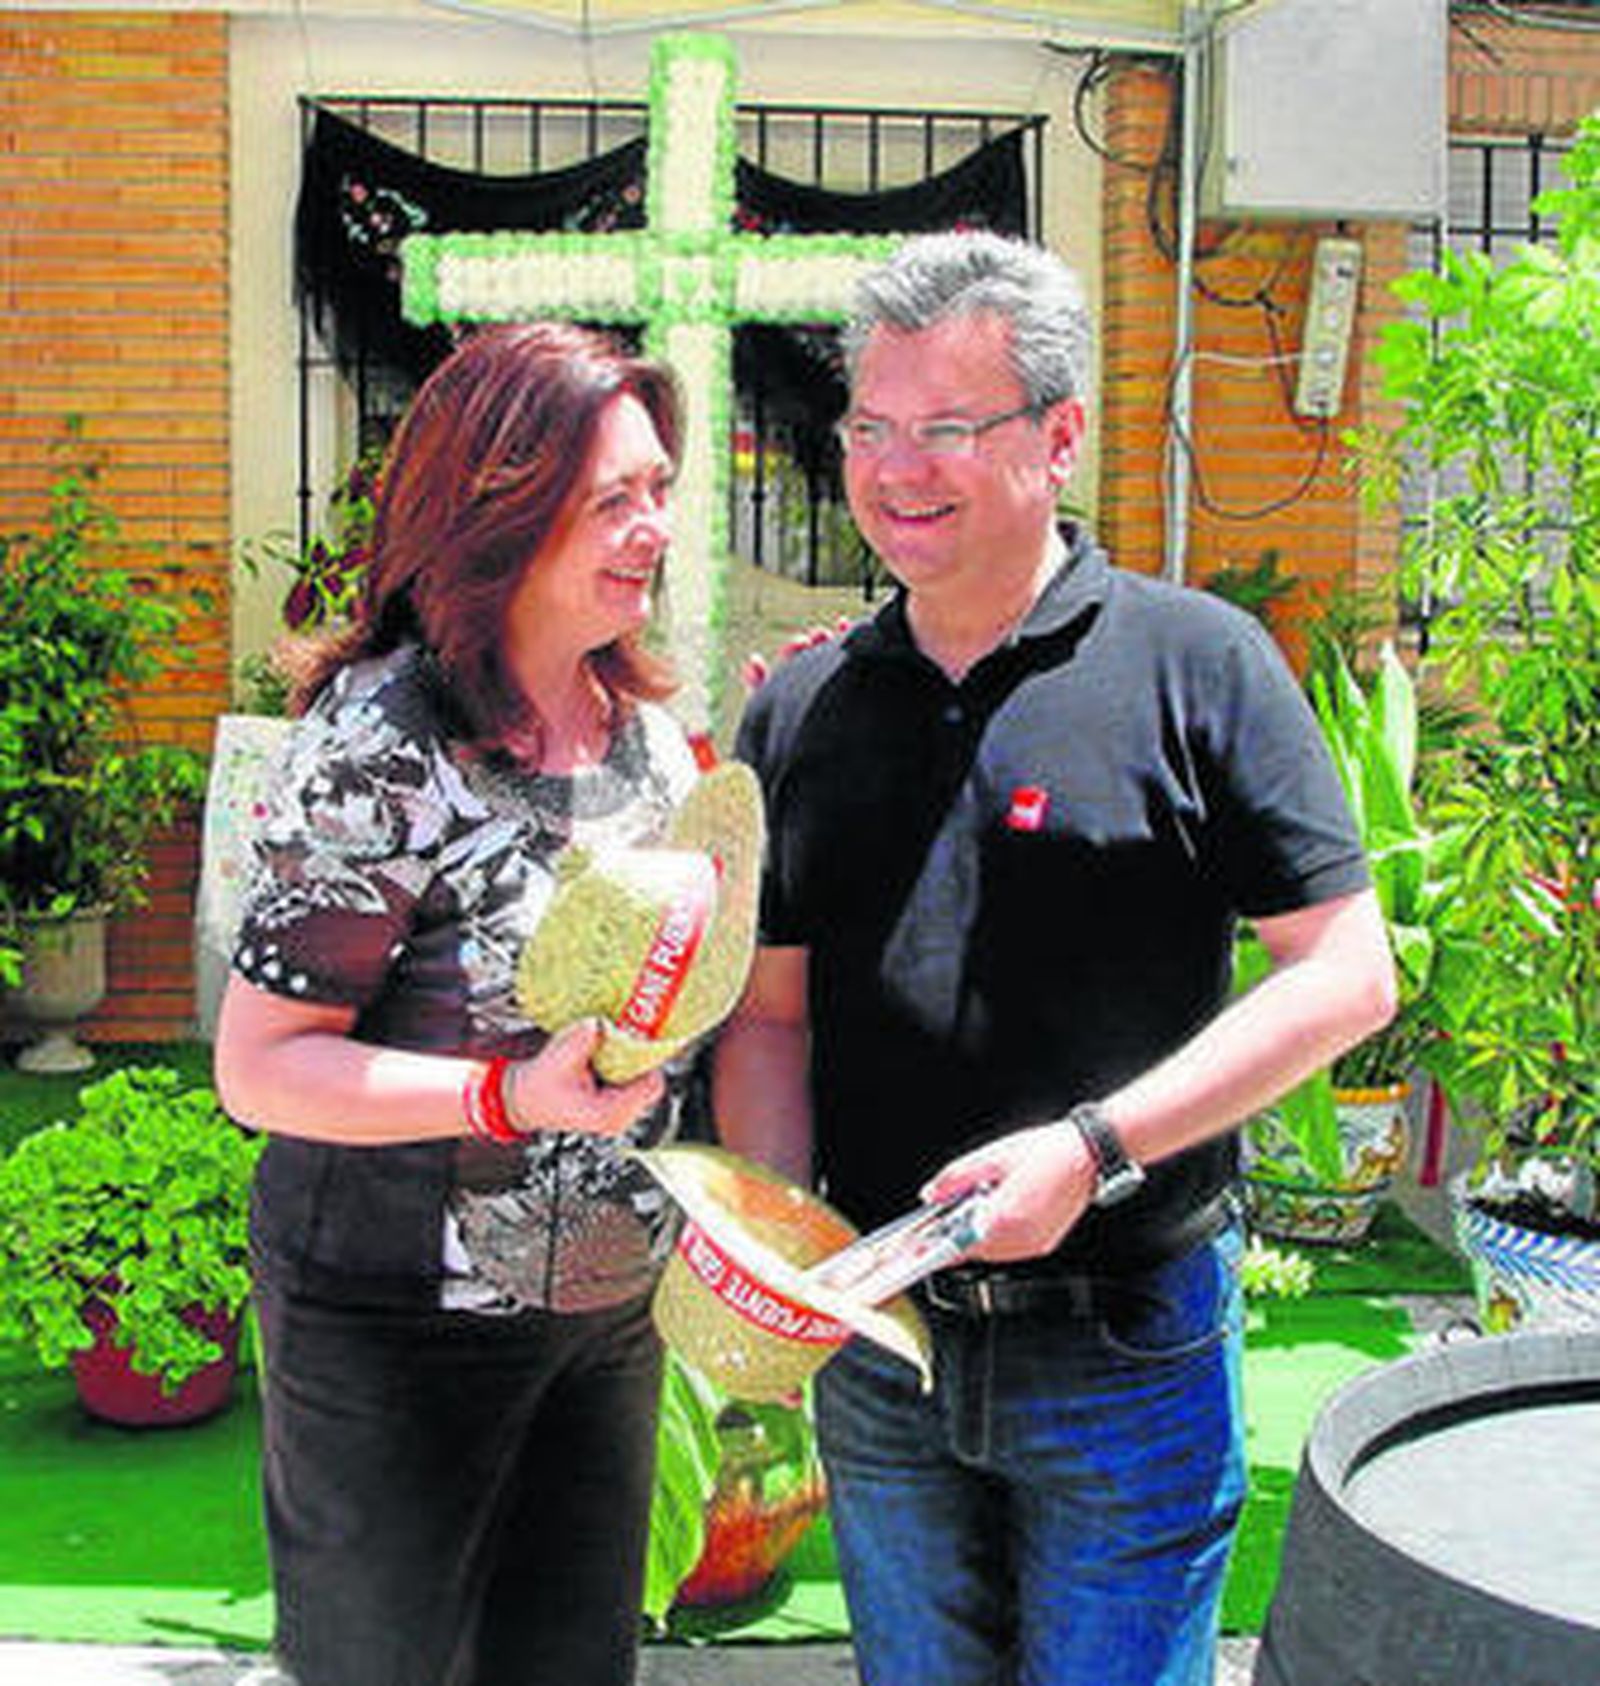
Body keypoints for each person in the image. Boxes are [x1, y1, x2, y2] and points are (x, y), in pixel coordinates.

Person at [713, 231, 1397, 1686]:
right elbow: (768, 1021)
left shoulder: (1194, 663)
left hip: (1127, 1344)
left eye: (948, 428)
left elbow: (1346, 970)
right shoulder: (806, 709)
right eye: (871, 429)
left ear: (1061, 434)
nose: (898, 469)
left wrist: (1094, 1148)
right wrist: (783, 1242)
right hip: (884, 1347)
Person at [214, 321, 701, 1686]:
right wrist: (505, 1091)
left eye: (659, 488)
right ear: (501, 503)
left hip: (602, 1311)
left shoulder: (644, 739)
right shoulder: (382, 745)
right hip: (393, 1321)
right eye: (614, 496)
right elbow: (262, 1066)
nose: (652, 526)